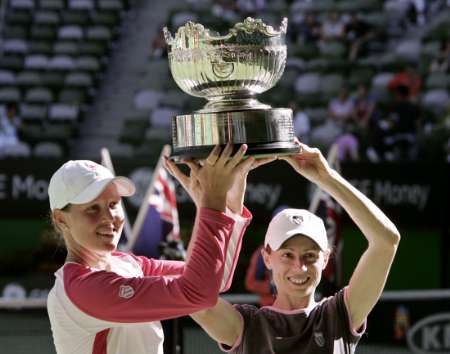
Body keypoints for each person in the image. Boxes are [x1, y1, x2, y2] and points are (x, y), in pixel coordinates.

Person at [46, 144, 272, 354]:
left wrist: (226, 204)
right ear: (61, 220)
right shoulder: (81, 288)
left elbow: (213, 280)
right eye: (92, 209)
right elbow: (197, 292)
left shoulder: (127, 263)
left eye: (113, 204)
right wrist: (212, 203)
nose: (109, 218)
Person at [191, 140, 401, 354]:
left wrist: (326, 178)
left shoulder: (337, 316)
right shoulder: (248, 326)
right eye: (287, 255)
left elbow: (386, 241)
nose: (299, 267)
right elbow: (195, 300)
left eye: (310, 255)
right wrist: (209, 210)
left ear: (325, 259)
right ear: (267, 258)